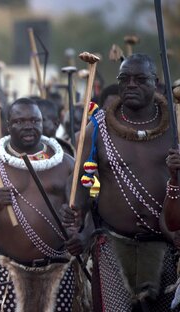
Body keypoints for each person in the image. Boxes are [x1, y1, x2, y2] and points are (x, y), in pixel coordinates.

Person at [71, 53, 179, 311]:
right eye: (124, 79)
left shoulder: (175, 126)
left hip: (164, 242)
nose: (131, 85)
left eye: (140, 79)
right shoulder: (96, 128)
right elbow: (83, 187)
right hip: (113, 243)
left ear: (156, 82)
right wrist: (78, 226)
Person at [0, 98, 86, 311]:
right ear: (9, 126)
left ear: (43, 123)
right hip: (8, 270)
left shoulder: (66, 163)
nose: (28, 126)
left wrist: (78, 233)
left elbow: (84, 214)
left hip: (58, 268)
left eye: (34, 120)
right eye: (20, 121)